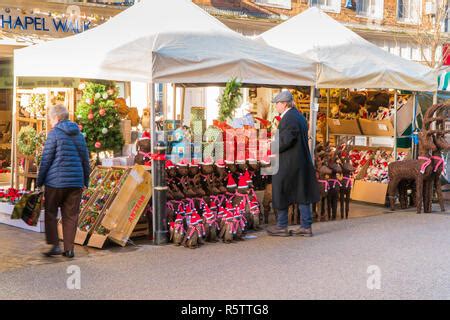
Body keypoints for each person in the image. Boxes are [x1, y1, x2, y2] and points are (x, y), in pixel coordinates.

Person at [37, 104, 90, 258]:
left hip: (55, 182)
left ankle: (54, 245)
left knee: (51, 212)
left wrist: (40, 181)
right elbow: (85, 160)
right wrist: (85, 181)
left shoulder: (54, 134)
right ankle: (69, 249)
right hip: (75, 183)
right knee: (71, 215)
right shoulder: (79, 135)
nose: (50, 122)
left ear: (58, 118)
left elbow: (46, 159)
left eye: (51, 119)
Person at [266, 91, 320, 237]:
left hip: (289, 162)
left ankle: (282, 226)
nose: (276, 106)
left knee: (280, 189)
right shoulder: (299, 116)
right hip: (300, 160)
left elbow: (285, 141)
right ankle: (305, 226)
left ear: (284, 104)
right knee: (302, 192)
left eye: (277, 104)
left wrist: (270, 145)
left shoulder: (289, 118)